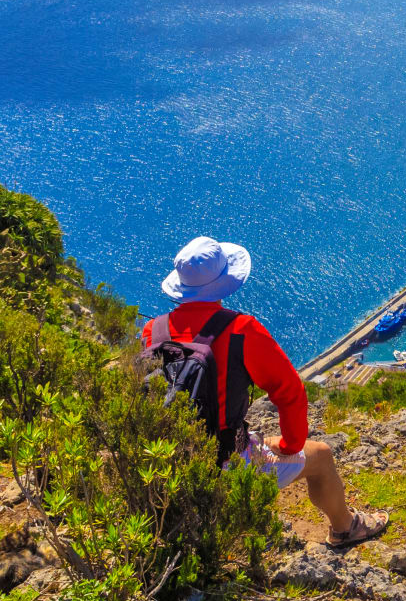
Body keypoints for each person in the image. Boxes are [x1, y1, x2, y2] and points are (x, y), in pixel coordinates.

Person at [140, 235, 389, 549]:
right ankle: (345, 529)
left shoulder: (153, 331)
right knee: (321, 456)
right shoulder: (241, 329)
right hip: (222, 464)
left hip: (160, 462)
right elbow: (290, 392)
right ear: (223, 283)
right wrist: (290, 444)